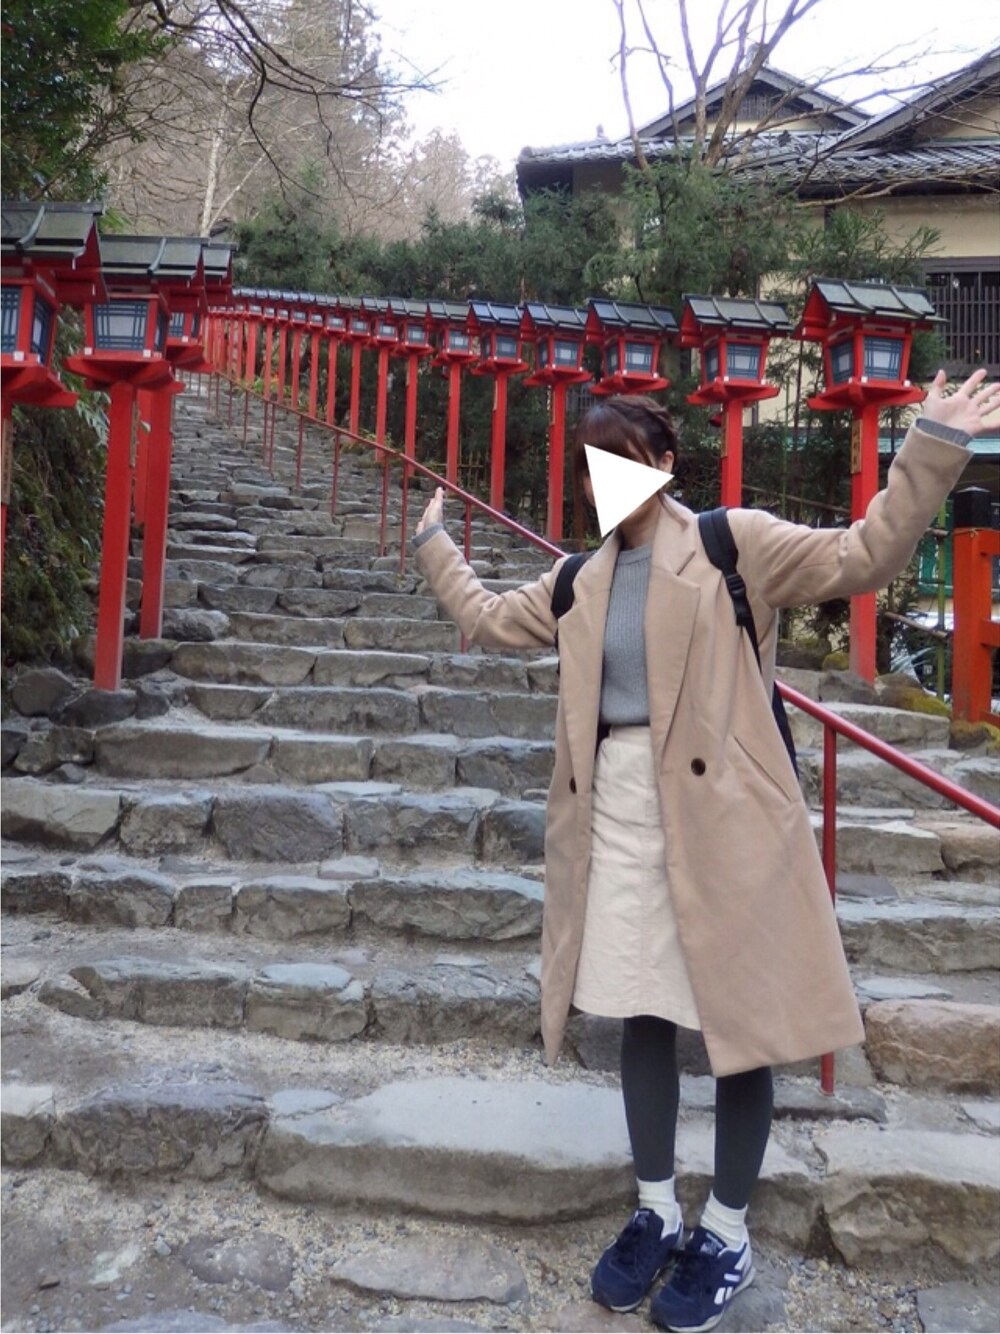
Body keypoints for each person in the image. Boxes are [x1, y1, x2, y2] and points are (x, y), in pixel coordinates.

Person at [413, 369, 996, 1333]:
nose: (606, 479)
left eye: (623, 459)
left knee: (739, 1023)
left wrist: (933, 442)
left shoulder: (734, 544)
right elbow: (485, 617)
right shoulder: (578, 579)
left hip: (724, 820)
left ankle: (725, 1228)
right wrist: (435, 543)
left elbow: (864, 555)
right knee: (641, 1012)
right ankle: (654, 1210)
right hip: (618, 816)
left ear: (664, 462)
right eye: (593, 465)